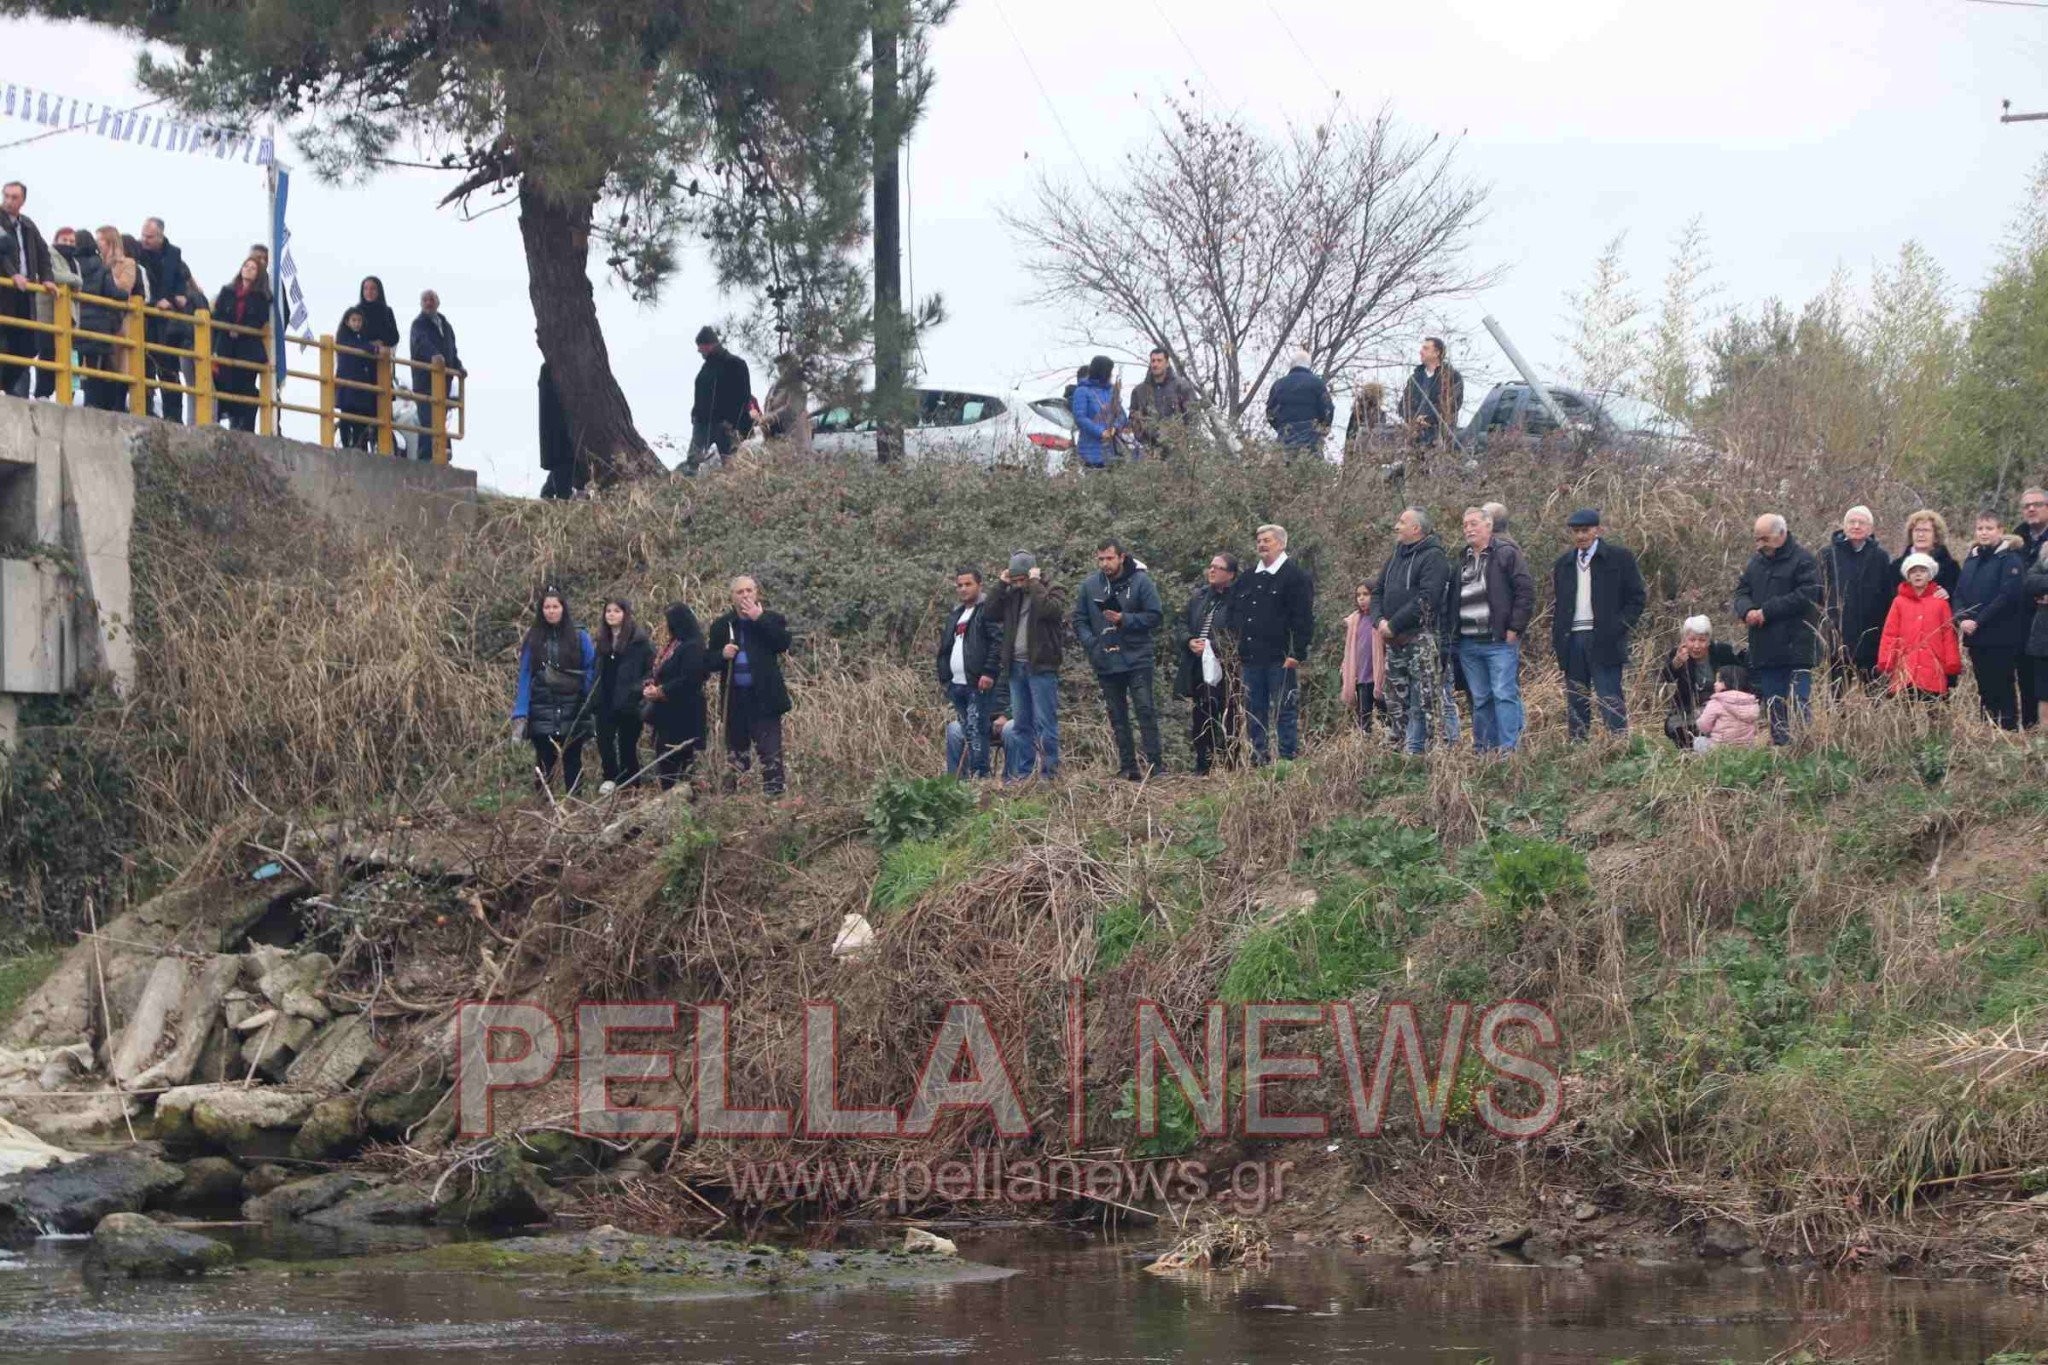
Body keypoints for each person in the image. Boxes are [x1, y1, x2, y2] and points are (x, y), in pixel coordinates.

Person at [1551, 508, 1647, 739]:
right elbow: (1560, 603)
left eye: (1585, 530)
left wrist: (1618, 626)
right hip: (1572, 638)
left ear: (1597, 530)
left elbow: (1637, 597)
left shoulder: (1618, 557)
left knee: (1609, 695)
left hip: (1604, 638)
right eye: (1576, 531)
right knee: (1577, 697)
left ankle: (1619, 745)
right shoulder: (1564, 563)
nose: (1581, 536)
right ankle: (1579, 749)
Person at [1073, 539, 1165, 780]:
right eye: (1101, 559)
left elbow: (1155, 616)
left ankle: (1156, 767)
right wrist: (1092, 644)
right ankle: (1128, 768)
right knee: (1117, 714)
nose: (1105, 563)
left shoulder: (1141, 581)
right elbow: (1080, 620)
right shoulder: (1090, 585)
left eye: (1109, 558)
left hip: (1137, 656)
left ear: (1122, 557)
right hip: (1106, 658)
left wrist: (1125, 619)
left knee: (1144, 710)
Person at [1733, 513, 1824, 745]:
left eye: (1765, 538)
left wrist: (1767, 611)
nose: (1760, 544)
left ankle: (1803, 749)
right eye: (1757, 539)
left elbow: (1807, 595)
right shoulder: (1755, 563)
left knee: (1798, 702)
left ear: (1782, 534)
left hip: (1797, 647)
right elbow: (1741, 592)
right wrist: (1747, 611)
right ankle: (1781, 749)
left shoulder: (1804, 560)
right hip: (1766, 647)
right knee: (1774, 702)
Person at [1453, 506, 1535, 753]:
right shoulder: (1462, 558)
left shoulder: (1506, 554)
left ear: (1489, 525)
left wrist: (1515, 628)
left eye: (1474, 523)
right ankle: (1484, 750)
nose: (1469, 528)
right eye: (1465, 524)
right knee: (1480, 699)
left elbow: (1525, 592)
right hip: (1469, 642)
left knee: (1503, 694)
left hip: (1499, 640)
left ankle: (1509, 751)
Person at [1374, 508, 1452, 754]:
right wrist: (1379, 622)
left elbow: (1428, 598)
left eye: (1401, 522)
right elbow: (1377, 591)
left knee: (1426, 703)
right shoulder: (1396, 555)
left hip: (1420, 641)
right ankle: (1402, 756)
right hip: (1394, 645)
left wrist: (1394, 624)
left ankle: (1433, 757)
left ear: (1416, 528)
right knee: (1396, 702)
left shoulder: (1434, 557)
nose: (1396, 526)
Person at [1237, 524, 1315, 765]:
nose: (1261, 544)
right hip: (1252, 657)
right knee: (1254, 709)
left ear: (1281, 544)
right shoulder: (1249, 576)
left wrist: (1297, 653)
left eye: (1267, 540)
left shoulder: (1295, 576)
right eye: (1259, 540)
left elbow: (1303, 618)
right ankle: (1259, 759)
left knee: (1284, 709)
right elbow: (1237, 612)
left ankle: (1287, 759)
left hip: (1281, 657)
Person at [708, 576, 792, 796]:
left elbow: (782, 643)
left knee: (770, 753)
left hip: (765, 699)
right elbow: (708, 662)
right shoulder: (721, 625)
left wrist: (759, 618)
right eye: (740, 592)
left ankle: (774, 797)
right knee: (736, 755)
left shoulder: (772, 619)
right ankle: (735, 803)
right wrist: (721, 655)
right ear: (732, 596)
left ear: (757, 593)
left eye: (749, 591)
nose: (745, 595)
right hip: (735, 700)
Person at [512, 589, 596, 795]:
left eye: (555, 607)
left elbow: (591, 668)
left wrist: (588, 700)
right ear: (541, 610)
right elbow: (525, 674)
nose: (551, 611)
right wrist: (521, 711)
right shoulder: (534, 637)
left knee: (572, 758)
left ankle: (575, 802)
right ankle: (543, 803)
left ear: (563, 608)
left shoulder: (579, 635)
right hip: (541, 706)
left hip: (573, 706)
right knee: (543, 759)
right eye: (547, 607)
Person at [988, 553, 1065, 779]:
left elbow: (1049, 611)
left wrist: (1035, 584)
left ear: (1032, 573)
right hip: (1016, 668)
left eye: (1022, 579)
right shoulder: (1012, 594)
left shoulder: (1053, 589)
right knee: (1021, 725)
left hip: (1041, 667)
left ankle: (1048, 774)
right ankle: (1024, 774)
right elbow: (990, 612)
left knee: (1045, 723)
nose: (1019, 584)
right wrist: (1001, 585)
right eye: (1015, 580)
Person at [1954, 511, 2030, 730]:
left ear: (2000, 531)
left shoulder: (2010, 559)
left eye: (1989, 528)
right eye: (1980, 529)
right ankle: (1986, 729)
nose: (1984, 533)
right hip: (1975, 637)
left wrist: (1978, 620)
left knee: (2003, 685)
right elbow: (1959, 592)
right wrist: (1962, 618)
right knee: (1984, 686)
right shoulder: (1972, 558)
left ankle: (2008, 731)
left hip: (2001, 636)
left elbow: (2007, 596)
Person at [1177, 552, 1243, 776]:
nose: (1212, 571)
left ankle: (1229, 765)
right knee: (1201, 715)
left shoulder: (1238, 600)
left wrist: (1212, 645)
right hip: (1198, 666)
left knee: (1228, 715)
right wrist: (1189, 641)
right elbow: (1182, 624)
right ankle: (1202, 765)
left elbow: (1238, 633)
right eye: (1210, 566)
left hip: (1226, 667)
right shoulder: (1199, 596)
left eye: (1218, 567)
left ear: (1231, 574)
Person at [936, 568, 1001, 779]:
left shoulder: (986, 611)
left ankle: (981, 777)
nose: (963, 589)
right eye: (960, 585)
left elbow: (996, 643)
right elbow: (947, 646)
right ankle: (962, 783)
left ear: (979, 585)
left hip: (977, 682)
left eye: (968, 584)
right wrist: (945, 677)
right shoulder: (956, 614)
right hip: (957, 684)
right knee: (964, 729)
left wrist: (989, 672)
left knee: (976, 729)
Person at [1819, 505, 1893, 690]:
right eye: (1852, 522)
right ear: (1844, 526)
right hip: (1838, 637)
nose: (1856, 526)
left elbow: (1888, 595)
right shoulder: (1828, 555)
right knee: (1837, 695)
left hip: (1871, 637)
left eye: (1862, 522)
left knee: (1875, 692)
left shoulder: (1880, 557)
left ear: (1870, 529)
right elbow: (1818, 592)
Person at [642, 603, 709, 790]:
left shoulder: (693, 646)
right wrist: (651, 684)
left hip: (684, 713)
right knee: (665, 760)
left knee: (679, 761)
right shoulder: (674, 644)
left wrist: (663, 690)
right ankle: (670, 798)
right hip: (666, 713)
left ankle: (683, 801)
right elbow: (661, 670)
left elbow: (691, 678)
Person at [134, 218, 195, 423]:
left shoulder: (174, 255)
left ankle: (174, 417)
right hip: (145, 317)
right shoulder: (137, 252)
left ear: (160, 236)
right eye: (143, 235)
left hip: (168, 323)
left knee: (169, 371)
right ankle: (145, 410)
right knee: (145, 368)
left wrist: (173, 299)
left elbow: (181, 282)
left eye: (149, 236)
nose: (144, 240)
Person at [1878, 553, 1962, 701]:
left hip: (1933, 669)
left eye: (1922, 571)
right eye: (1913, 571)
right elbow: (1890, 633)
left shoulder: (1940, 603)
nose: (1918, 575)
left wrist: (1952, 662)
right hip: (1905, 669)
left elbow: (1948, 634)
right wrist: (1887, 660)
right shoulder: (1899, 602)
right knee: (1906, 709)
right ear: (1907, 576)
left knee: (1934, 710)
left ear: (1930, 575)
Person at [592, 600, 655, 793]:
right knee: (604, 742)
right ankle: (610, 777)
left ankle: (631, 782)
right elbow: (595, 670)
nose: (611, 615)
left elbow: (651, 670)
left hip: (629, 702)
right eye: (608, 611)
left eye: (616, 611)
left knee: (627, 744)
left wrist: (637, 689)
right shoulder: (602, 640)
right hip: (605, 699)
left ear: (625, 614)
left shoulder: (639, 641)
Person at [0, 181, 52, 399]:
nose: (9, 201)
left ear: (23, 201)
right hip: (4, 293)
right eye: (6, 196)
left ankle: (9, 388)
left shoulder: (28, 225)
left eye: (14, 197)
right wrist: (13, 274)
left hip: (25, 294)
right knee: (4, 340)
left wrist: (47, 279)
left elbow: (43, 253)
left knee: (28, 345)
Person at [1661, 616, 1746, 749]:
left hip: (1720, 707)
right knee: (1673, 726)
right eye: (1692, 640)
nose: (1696, 645)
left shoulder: (1721, 651)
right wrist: (1677, 663)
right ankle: (1689, 751)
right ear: (1685, 640)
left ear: (1709, 641)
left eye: (1702, 640)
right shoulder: (1679, 654)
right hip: (1690, 708)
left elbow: (1740, 675)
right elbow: (1666, 677)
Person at [65, 230, 125, 412]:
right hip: (98, 327)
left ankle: (67, 400)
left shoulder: (72, 266)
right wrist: (127, 295)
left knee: (72, 366)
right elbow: (113, 293)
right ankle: (92, 405)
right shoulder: (102, 267)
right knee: (93, 370)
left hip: (75, 322)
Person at [209, 257, 270, 432]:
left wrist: (240, 330)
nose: (248, 270)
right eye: (246, 266)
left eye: (253, 268)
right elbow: (218, 314)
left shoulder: (261, 297)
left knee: (246, 389)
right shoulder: (227, 292)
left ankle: (245, 426)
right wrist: (228, 328)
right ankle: (223, 421)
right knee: (223, 385)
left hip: (247, 349)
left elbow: (259, 320)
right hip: (226, 347)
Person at [686, 326, 752, 473]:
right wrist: (695, 412)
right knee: (693, 462)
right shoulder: (706, 368)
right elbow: (701, 394)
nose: (699, 350)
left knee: (730, 463)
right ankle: (689, 488)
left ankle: (733, 490)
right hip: (702, 424)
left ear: (710, 344)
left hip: (726, 425)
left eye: (700, 346)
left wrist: (733, 422)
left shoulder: (735, 364)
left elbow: (744, 396)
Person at [408, 289, 462, 462]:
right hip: (425, 381)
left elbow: (452, 351)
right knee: (427, 420)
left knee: (440, 420)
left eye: (431, 299)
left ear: (438, 302)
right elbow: (420, 344)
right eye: (425, 300)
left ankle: (442, 455)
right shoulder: (418, 324)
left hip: (443, 382)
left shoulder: (445, 325)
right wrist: (436, 356)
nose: (428, 303)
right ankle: (425, 459)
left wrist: (459, 367)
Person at [2014, 488, 2048, 729]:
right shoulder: (2016, 539)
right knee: (2028, 681)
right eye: (2026, 506)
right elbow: (2028, 581)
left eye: (2037, 504)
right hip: (2022, 619)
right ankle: (2031, 732)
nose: (2031, 509)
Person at [1128, 347, 1199, 458]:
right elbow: (1134, 420)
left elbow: (1193, 416)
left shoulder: (1181, 386)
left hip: (1178, 449)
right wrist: (1146, 443)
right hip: (1150, 452)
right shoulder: (1139, 391)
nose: (1155, 364)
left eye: (1159, 360)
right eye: (1153, 361)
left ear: (1167, 363)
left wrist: (1186, 442)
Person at [1398, 337, 1465, 455]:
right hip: (1414, 438)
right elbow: (1402, 406)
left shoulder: (1452, 376)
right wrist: (1414, 419)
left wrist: (1429, 419)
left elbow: (1453, 404)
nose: (1421, 351)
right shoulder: (1415, 378)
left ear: (1437, 353)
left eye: (1425, 348)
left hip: (1440, 438)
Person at [36, 226, 80, 401]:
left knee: (70, 357)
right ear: (56, 240)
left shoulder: (75, 262)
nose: (68, 244)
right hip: (48, 314)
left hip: (70, 317)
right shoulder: (48, 253)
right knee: (47, 353)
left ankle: (68, 395)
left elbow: (78, 287)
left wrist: (75, 281)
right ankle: (42, 394)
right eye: (64, 241)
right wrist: (75, 279)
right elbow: (49, 274)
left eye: (71, 242)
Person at [1264, 348, 1333, 457]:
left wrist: (1281, 428)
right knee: (1312, 472)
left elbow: (1270, 413)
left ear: (1292, 365)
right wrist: (1321, 429)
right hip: (1311, 440)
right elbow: (1328, 410)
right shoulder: (1318, 384)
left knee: (1283, 471)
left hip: (1285, 439)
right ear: (1308, 365)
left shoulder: (1279, 385)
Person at [1339, 583, 1385, 734]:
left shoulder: (1380, 619)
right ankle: (1366, 747)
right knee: (1364, 718)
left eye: (1366, 594)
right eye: (1358, 595)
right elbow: (1350, 648)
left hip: (1379, 677)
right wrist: (1345, 667)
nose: (1362, 598)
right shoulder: (1355, 621)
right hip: (1362, 678)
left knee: (1385, 717)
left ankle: (1389, 748)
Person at [537, 361, 585, 499]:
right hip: (561, 440)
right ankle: (553, 494)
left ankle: (550, 492)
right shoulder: (554, 369)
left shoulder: (551, 369)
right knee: (564, 469)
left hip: (562, 443)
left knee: (564, 466)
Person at [334, 308, 380, 450]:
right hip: (347, 382)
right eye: (353, 320)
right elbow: (353, 346)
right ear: (347, 322)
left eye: (359, 320)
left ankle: (358, 446)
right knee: (347, 415)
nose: (356, 323)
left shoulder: (362, 336)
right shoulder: (343, 335)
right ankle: (347, 445)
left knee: (361, 416)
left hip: (361, 384)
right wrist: (371, 348)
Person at [1071, 355, 1128, 468]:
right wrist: (1100, 432)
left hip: (1112, 450)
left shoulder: (1111, 391)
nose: (1111, 375)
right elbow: (1080, 418)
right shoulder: (1082, 391)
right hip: (1090, 452)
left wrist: (1115, 428)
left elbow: (1121, 415)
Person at [1693, 666, 1766, 752]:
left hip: (1720, 748)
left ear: (1728, 682)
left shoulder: (1716, 702)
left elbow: (1704, 726)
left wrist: (1699, 718)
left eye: (1719, 681)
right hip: (1747, 748)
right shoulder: (1751, 702)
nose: (1714, 683)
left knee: (1698, 741)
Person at [1890, 510, 1959, 597]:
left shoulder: (1950, 567)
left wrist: (1948, 592)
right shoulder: (1896, 567)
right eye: (1917, 530)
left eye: (1926, 530)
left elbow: (1959, 597)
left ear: (1936, 536)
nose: (1921, 535)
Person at [760, 352, 812, 458]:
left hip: (793, 438)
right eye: (779, 367)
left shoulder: (798, 386)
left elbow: (792, 410)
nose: (780, 370)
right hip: (774, 440)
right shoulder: (775, 387)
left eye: (783, 366)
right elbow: (767, 406)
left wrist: (771, 417)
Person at [345, 276, 401, 353]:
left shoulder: (387, 311)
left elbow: (395, 337)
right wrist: (369, 344)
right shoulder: (356, 311)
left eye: (373, 288)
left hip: (382, 358)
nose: (369, 292)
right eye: (366, 288)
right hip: (360, 357)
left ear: (379, 291)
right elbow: (348, 336)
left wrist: (382, 342)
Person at [2027, 537, 2048, 729]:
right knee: (2044, 690)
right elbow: (2030, 581)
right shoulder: (2045, 553)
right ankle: (2044, 736)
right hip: (2044, 638)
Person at [1343, 383, 1387, 458]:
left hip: (1354, 452)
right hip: (1372, 454)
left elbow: (1350, 435)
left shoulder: (1357, 411)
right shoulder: (1380, 413)